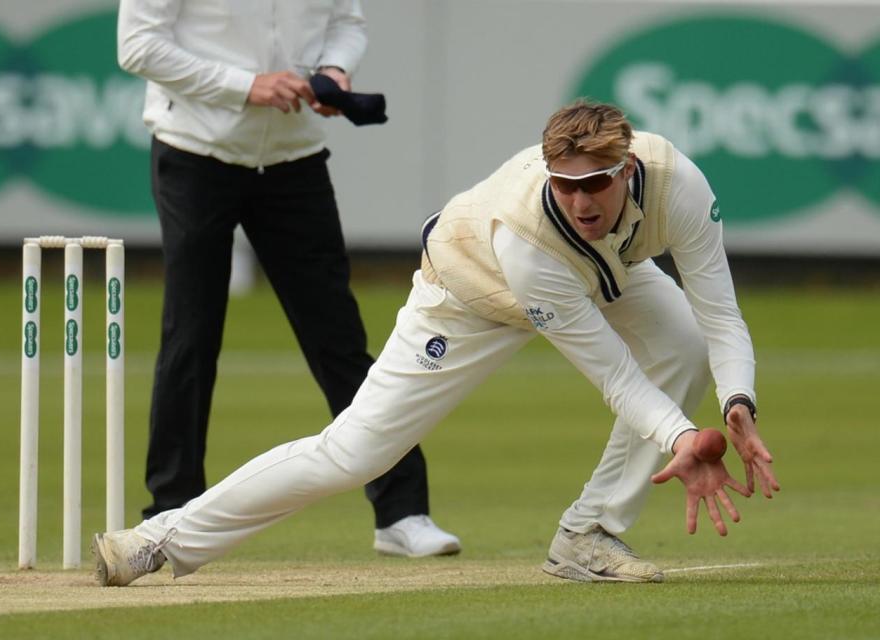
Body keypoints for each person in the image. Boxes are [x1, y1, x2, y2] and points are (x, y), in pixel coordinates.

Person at [93, 99, 781, 587]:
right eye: (568, 186)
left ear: (628, 169)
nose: (583, 201)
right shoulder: (529, 240)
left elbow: (720, 311)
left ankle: (588, 535)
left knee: (687, 342)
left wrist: (739, 402)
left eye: (598, 182)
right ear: (551, 176)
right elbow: (617, 379)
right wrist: (682, 438)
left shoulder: (678, 185)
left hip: (605, 271)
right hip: (470, 290)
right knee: (355, 452)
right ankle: (161, 538)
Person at [116, 0, 460, 558]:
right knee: (191, 337)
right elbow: (137, 45)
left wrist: (334, 71)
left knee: (339, 339)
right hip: (195, 149)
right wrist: (244, 85)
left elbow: (346, 24)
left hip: (293, 155)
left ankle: (401, 513)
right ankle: (169, 515)